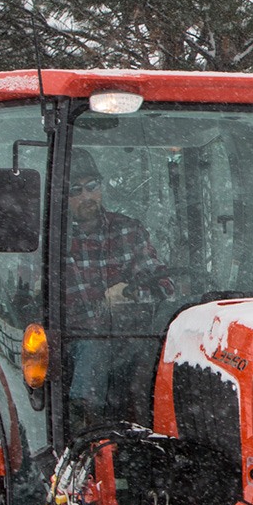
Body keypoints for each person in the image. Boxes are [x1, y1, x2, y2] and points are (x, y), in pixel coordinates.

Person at [64, 149, 170, 426]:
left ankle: (159, 429)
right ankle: (87, 425)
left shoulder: (127, 230)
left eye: (92, 187)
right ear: (63, 197)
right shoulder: (53, 237)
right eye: (76, 190)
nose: (87, 196)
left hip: (131, 335)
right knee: (94, 345)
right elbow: (34, 298)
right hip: (73, 338)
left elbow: (163, 285)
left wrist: (129, 292)